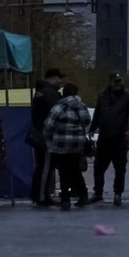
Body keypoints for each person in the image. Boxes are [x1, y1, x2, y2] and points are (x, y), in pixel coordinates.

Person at [90, 73, 129, 206]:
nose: (118, 83)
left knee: (119, 168)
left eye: (120, 81)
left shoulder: (127, 96)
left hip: (119, 137)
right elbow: (98, 113)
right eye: (116, 81)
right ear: (111, 81)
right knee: (99, 167)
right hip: (105, 136)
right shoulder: (103, 95)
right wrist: (92, 128)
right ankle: (98, 192)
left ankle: (118, 193)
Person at [44, 83, 92, 211]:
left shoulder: (59, 107)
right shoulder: (82, 106)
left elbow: (48, 125)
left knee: (63, 172)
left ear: (63, 93)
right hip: (77, 144)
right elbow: (87, 122)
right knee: (76, 171)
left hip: (60, 144)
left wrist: (49, 137)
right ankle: (83, 195)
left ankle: (65, 199)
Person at [30, 68, 64, 207]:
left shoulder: (40, 92)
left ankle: (39, 194)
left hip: (39, 134)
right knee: (46, 166)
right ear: (52, 78)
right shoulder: (49, 94)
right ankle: (42, 196)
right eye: (58, 78)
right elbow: (55, 113)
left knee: (43, 166)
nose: (60, 81)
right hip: (46, 135)